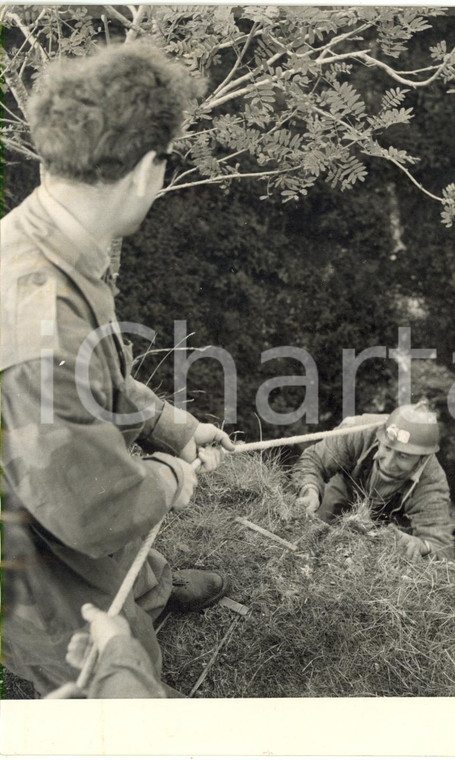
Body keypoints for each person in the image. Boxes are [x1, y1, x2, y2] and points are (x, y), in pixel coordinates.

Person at [1, 43, 235, 696]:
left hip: (45, 476)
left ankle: (148, 590)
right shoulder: (35, 323)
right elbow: (92, 510)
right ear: (143, 172)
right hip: (28, 549)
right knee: (112, 668)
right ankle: (112, 642)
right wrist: (169, 476)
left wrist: (167, 427)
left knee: (129, 570)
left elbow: (90, 377)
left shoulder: (51, 238)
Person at [293, 402, 455, 560]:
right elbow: (314, 459)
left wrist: (422, 546)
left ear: (422, 459)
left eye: (403, 456)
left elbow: (443, 549)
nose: (388, 462)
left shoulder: (432, 483)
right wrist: (310, 491)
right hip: (346, 487)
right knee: (322, 518)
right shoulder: (360, 430)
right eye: (387, 448)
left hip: (389, 525)